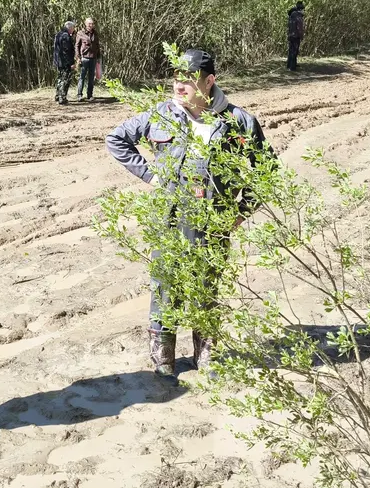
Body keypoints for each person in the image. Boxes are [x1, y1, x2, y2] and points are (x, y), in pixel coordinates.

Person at [104, 50, 274, 378]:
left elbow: (267, 170)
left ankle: (206, 352)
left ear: (209, 82)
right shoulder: (161, 115)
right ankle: (163, 355)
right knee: (165, 283)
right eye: (176, 78)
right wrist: (151, 176)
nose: (179, 86)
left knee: (206, 285)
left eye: (188, 80)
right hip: (168, 217)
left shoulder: (238, 121)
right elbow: (117, 139)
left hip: (214, 221)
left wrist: (242, 210)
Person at [75, 17, 102, 102]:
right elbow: (77, 46)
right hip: (84, 58)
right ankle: (79, 95)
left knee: (91, 78)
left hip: (93, 58)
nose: (91, 25)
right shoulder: (80, 33)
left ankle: (89, 95)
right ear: (86, 24)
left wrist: (98, 57)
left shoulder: (95, 33)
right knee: (82, 77)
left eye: (92, 24)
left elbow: (97, 46)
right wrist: (78, 57)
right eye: (89, 24)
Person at [53, 21, 76, 105]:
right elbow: (66, 51)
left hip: (58, 61)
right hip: (64, 62)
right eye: (73, 28)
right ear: (70, 28)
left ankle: (57, 95)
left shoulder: (58, 34)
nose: (73, 30)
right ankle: (62, 97)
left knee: (60, 78)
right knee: (65, 79)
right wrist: (71, 63)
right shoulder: (66, 36)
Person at [287, 1, 306, 71]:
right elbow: (299, 28)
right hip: (296, 36)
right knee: (295, 51)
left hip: (290, 35)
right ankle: (292, 67)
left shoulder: (291, 16)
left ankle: (289, 65)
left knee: (291, 50)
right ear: (301, 9)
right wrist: (301, 36)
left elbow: (289, 26)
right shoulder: (298, 17)